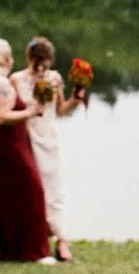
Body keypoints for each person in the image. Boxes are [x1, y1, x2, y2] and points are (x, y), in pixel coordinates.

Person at [0, 38, 54, 263]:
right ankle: (33, 251)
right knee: (32, 192)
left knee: (2, 197)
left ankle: (4, 248)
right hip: (8, 145)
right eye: (9, 57)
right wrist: (31, 111)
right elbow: (2, 116)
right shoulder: (0, 84)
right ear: (4, 59)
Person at [10, 36, 84, 262]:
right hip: (26, 138)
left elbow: (59, 110)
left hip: (48, 138)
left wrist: (75, 99)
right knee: (32, 190)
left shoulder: (55, 79)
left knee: (54, 189)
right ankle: (36, 238)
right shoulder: (16, 80)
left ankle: (61, 239)